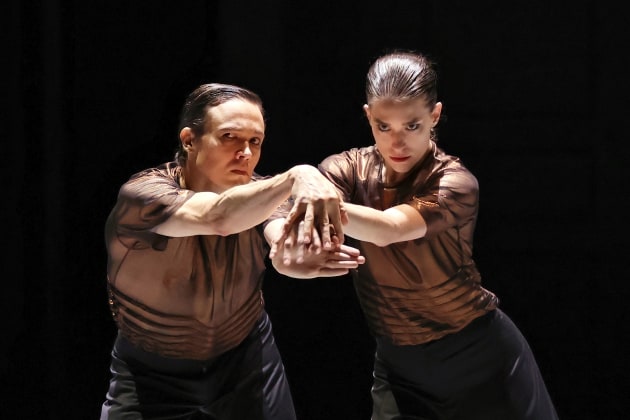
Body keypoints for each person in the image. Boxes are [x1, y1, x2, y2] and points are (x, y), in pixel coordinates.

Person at [275, 51, 559, 419]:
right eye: (383, 126)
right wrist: (284, 247)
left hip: (480, 357)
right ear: (367, 117)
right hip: (399, 365)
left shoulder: (454, 182)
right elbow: (286, 209)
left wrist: (314, 194)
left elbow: (390, 229)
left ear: (435, 116)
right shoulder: (346, 169)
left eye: (412, 126)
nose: (397, 143)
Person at [100, 82, 364, 419]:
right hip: (150, 374)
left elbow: (280, 237)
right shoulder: (144, 195)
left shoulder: (261, 193)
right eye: (230, 137)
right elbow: (218, 216)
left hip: (247, 363)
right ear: (189, 140)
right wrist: (298, 175)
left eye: (255, 141)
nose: (246, 154)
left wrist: (295, 255)